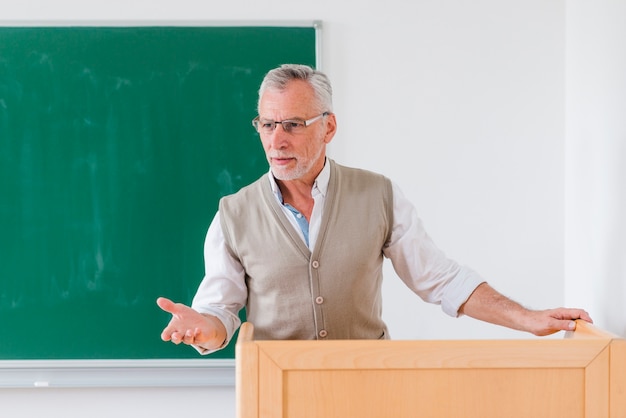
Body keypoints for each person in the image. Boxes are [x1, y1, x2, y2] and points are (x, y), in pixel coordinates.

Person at [157, 64, 591, 353]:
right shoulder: (232, 215)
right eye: (267, 124)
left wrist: (529, 319)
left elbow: (440, 280)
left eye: (292, 124)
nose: (277, 140)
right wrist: (203, 327)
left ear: (328, 126)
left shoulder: (378, 195)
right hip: (278, 394)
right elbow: (219, 316)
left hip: (369, 388)